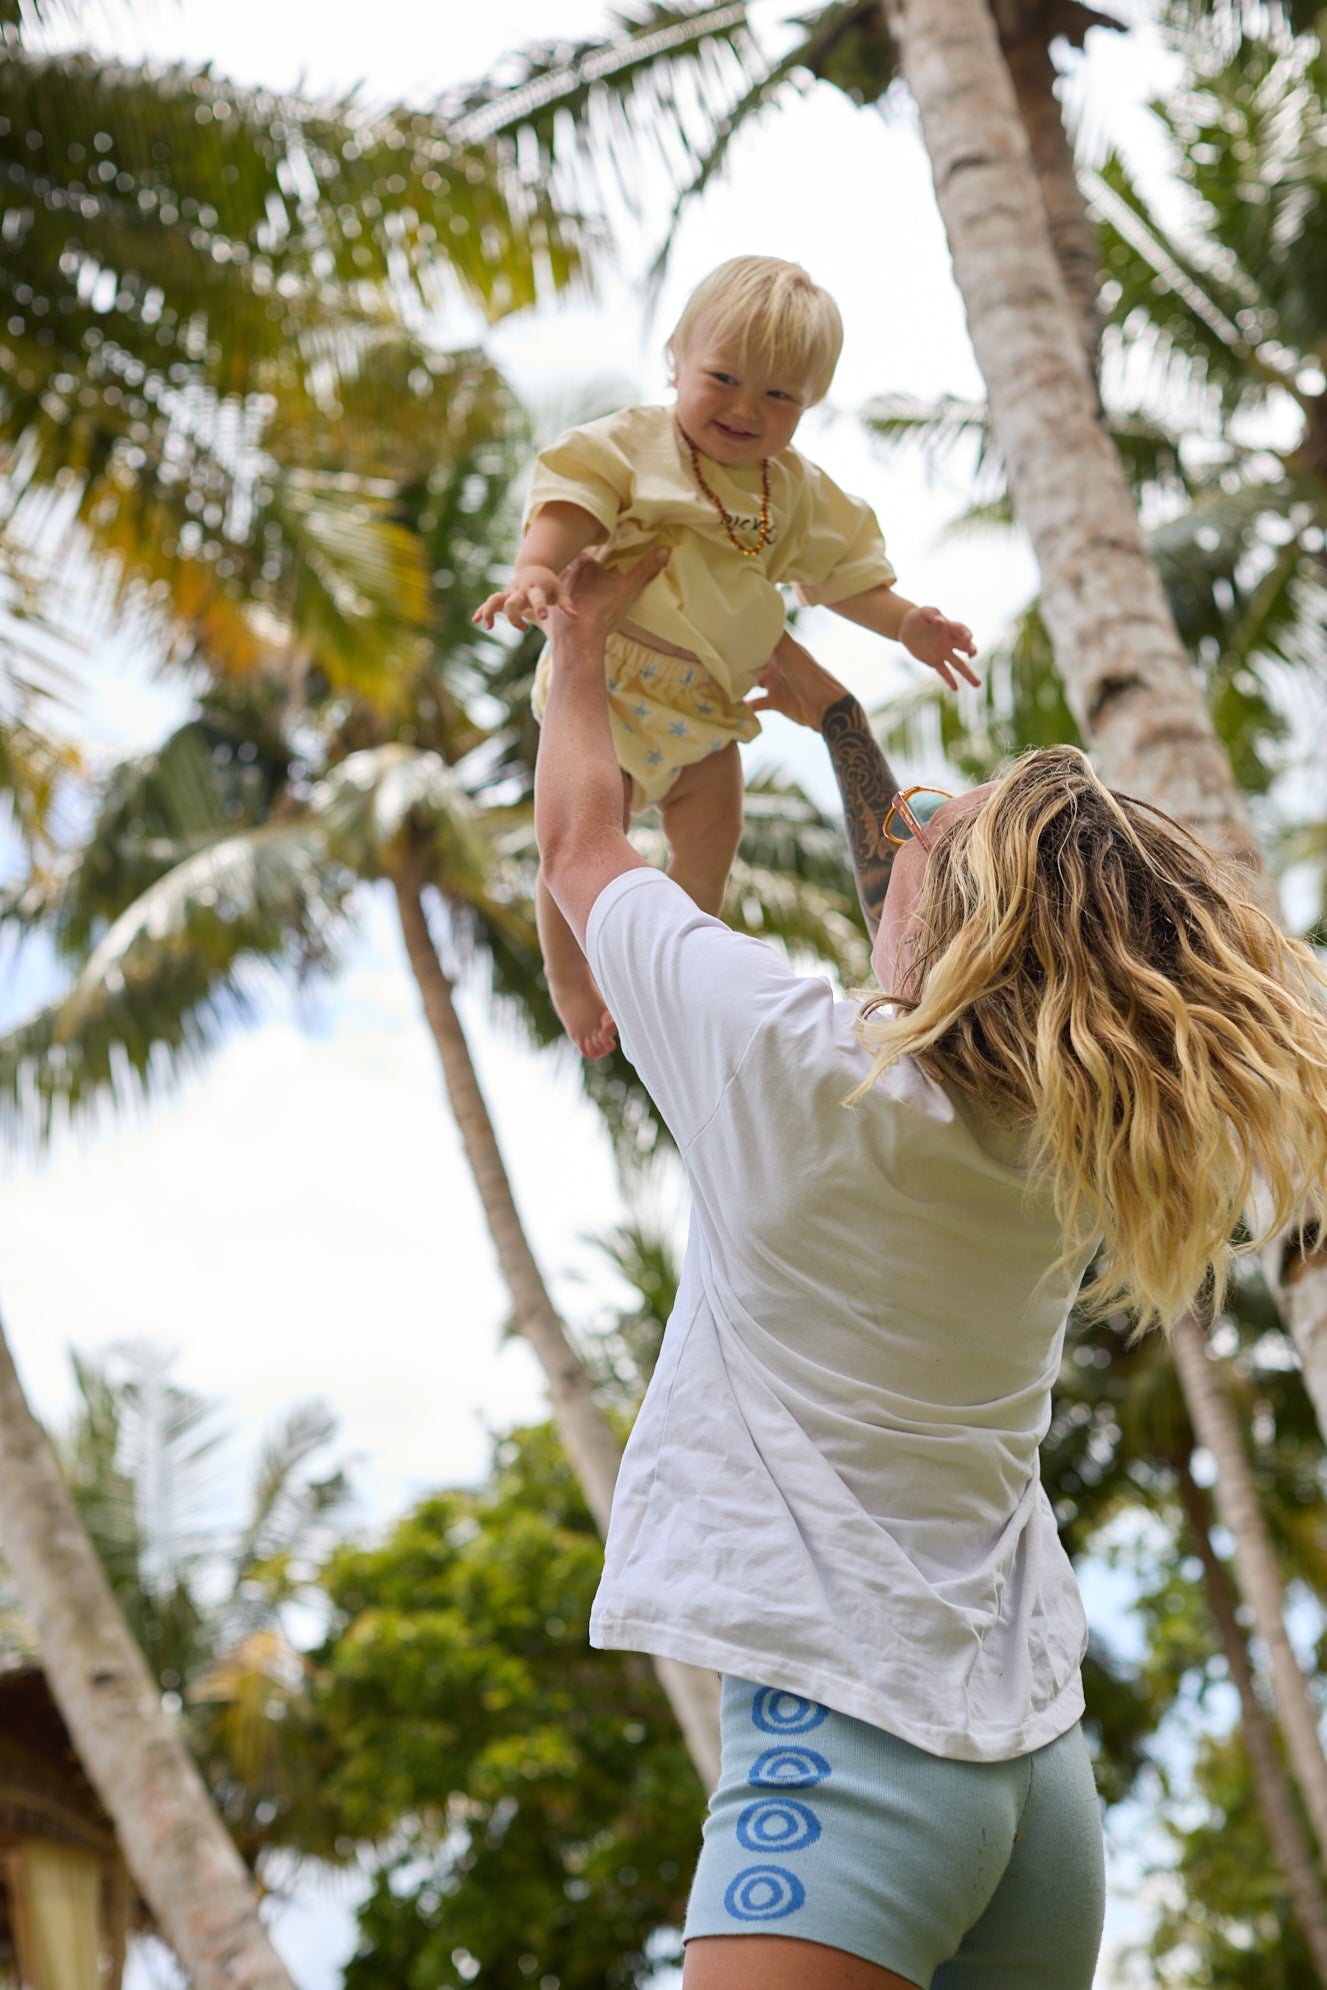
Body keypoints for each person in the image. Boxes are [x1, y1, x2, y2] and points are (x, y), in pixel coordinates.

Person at [533, 547, 1327, 1989]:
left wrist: (574, 641)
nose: (889, 834)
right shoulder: (1075, 1141)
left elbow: (583, 851)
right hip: (1038, 1799)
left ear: (944, 922)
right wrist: (836, 715)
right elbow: (941, 953)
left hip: (846, 1766)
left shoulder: (781, 1059)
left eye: (915, 833)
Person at [473, 255, 978, 1059]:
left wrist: (906, 622)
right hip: (616, 680)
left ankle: (663, 971)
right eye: (723, 378)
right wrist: (536, 566)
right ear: (675, 357)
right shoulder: (639, 445)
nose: (747, 408)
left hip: (710, 704)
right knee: (575, 835)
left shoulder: (797, 492)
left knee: (713, 832)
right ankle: (571, 979)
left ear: (807, 405)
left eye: (780, 395)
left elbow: (840, 574)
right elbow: (574, 496)